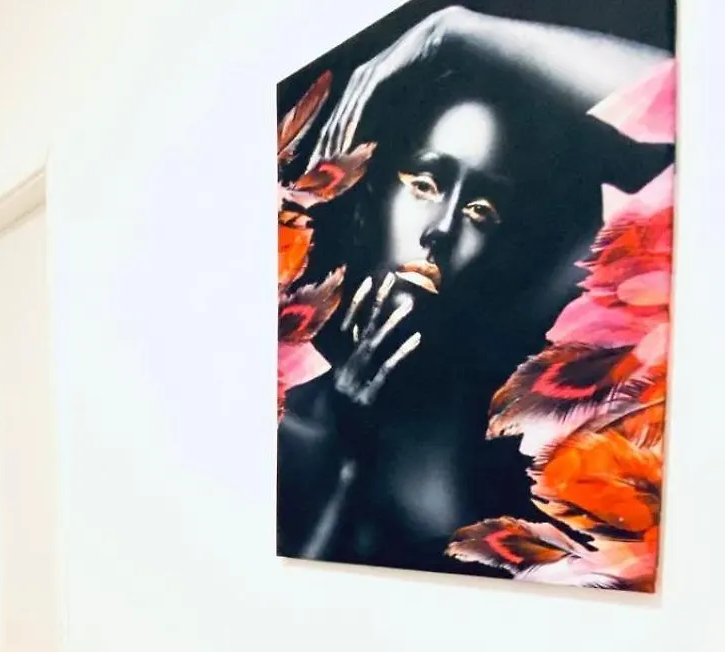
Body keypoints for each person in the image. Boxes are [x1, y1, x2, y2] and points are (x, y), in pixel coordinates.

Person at [276, 5, 673, 574]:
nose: (440, 229)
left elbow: (689, 100)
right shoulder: (286, 403)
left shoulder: (534, 390)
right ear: (370, 203)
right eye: (425, 185)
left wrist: (455, 31)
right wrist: (347, 446)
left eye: (480, 210)